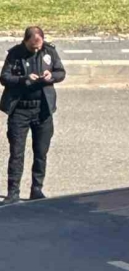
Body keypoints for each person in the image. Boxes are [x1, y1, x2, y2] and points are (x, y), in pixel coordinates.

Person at [0, 26, 65, 204]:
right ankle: (13, 192)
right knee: (17, 153)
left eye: (38, 46)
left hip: (42, 110)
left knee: (41, 152)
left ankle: (37, 189)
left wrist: (51, 75)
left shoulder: (49, 51)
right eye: (32, 47)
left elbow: (61, 72)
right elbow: (4, 77)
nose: (36, 50)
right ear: (25, 41)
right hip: (20, 110)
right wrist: (24, 79)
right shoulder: (15, 54)